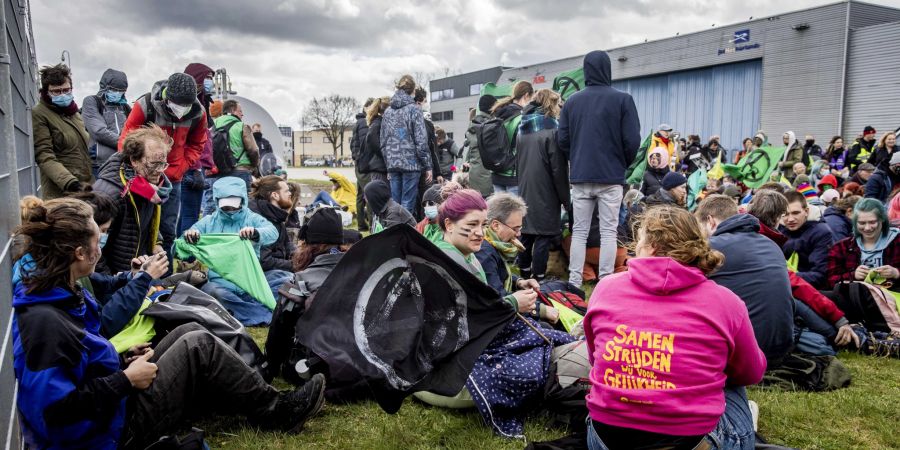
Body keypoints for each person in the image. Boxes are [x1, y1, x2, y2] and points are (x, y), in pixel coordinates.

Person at [12, 197, 326, 449]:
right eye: (98, 239)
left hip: (110, 411)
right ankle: (277, 411)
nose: (101, 247)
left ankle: (259, 399)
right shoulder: (45, 323)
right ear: (79, 252)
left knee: (187, 330)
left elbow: (76, 367)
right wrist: (125, 380)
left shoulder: (60, 295)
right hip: (111, 433)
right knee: (197, 344)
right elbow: (53, 412)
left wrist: (121, 361)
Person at [584, 206, 766, 450]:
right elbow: (751, 373)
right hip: (692, 442)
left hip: (606, 439)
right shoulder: (726, 302)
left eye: (638, 241)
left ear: (651, 247)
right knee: (732, 382)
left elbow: (595, 358)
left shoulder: (606, 288)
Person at [559, 50, 640, 287]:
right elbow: (632, 140)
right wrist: (621, 163)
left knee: (580, 231)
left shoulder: (572, 101)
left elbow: (563, 139)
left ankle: (574, 280)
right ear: (608, 69)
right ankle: (605, 279)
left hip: (581, 175)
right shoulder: (623, 100)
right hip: (611, 175)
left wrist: (577, 157)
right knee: (608, 231)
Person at [118, 72, 209, 264]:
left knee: (167, 229)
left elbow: (198, 143)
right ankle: (137, 270)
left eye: (187, 106)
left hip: (173, 179)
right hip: (143, 177)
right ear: (167, 97)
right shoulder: (145, 106)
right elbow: (126, 143)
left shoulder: (198, 112)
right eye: (179, 105)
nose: (182, 110)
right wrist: (138, 174)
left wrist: (182, 166)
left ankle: (165, 275)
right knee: (140, 226)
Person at [696, 195, 795, 368]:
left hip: (746, 355)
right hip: (780, 349)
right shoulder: (770, 244)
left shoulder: (711, 247)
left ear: (710, 221)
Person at [184, 177, 284, 326]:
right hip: (222, 284)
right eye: (225, 206)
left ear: (243, 199)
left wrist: (256, 233)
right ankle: (265, 314)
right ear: (217, 201)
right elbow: (180, 248)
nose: (230, 210)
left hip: (252, 281)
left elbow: (272, 233)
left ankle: (240, 309)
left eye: (234, 205)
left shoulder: (253, 218)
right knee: (213, 292)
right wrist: (189, 236)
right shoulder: (207, 222)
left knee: (285, 278)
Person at [93, 125, 173, 274]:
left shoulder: (150, 188)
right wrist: (111, 282)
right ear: (134, 160)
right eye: (154, 164)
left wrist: (156, 241)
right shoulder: (110, 194)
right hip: (113, 278)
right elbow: (92, 249)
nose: (160, 171)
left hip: (133, 273)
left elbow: (146, 222)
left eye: (163, 164)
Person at [477, 192, 558, 323]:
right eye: (515, 229)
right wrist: (540, 310)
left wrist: (519, 282)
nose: (519, 234)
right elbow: (499, 299)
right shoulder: (484, 253)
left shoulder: (491, 243)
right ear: (496, 225)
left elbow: (498, 273)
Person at [515, 89, 569, 281]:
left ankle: (523, 273)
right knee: (543, 237)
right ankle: (538, 278)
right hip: (546, 191)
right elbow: (558, 169)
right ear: (551, 105)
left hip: (526, 188)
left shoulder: (523, 129)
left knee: (527, 235)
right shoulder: (552, 131)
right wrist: (565, 199)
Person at [33, 64, 93, 200]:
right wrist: (69, 182)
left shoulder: (74, 113)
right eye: (56, 91)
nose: (63, 95)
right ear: (46, 91)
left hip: (84, 185)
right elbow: (44, 155)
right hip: (61, 191)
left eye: (66, 90)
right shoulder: (39, 114)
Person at [381, 75, 432, 213]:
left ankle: (395, 231)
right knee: (408, 203)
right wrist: (427, 165)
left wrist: (388, 164)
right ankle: (404, 232)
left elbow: (383, 142)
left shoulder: (387, 112)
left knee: (395, 203)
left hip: (393, 162)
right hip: (411, 162)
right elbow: (421, 139)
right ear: (413, 91)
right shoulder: (414, 109)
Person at [827, 198, 900, 288]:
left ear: (882, 220)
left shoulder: (897, 241)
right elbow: (830, 281)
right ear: (855, 223)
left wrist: (896, 273)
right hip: (857, 299)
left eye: (872, 222)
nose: (867, 228)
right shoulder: (841, 247)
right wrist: (853, 275)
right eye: (862, 223)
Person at [178, 63, 215, 235]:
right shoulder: (192, 105)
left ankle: (179, 250)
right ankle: (188, 256)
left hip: (193, 165)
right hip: (191, 166)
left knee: (185, 213)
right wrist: (196, 165)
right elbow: (193, 139)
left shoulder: (202, 102)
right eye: (207, 78)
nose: (210, 82)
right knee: (190, 214)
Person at [780, 190, 834, 288]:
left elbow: (820, 276)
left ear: (806, 211)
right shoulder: (778, 231)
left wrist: (783, 277)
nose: (790, 219)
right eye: (785, 214)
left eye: (795, 213)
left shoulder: (822, 233)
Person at [82, 68, 130, 176]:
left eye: (121, 91)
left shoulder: (125, 108)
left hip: (123, 164)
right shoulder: (92, 102)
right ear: (104, 87)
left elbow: (135, 131)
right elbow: (98, 131)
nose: (117, 93)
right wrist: (127, 143)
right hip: (100, 165)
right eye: (113, 90)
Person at [489, 81, 534, 195]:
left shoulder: (498, 113)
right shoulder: (522, 118)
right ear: (526, 95)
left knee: (499, 212)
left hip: (496, 173)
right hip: (513, 176)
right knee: (515, 212)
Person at [249, 175, 296, 272]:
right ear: (275, 195)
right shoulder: (262, 220)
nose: (290, 193)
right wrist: (294, 266)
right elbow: (265, 261)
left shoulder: (275, 214)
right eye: (286, 191)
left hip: (278, 267)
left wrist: (302, 257)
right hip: (267, 275)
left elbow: (287, 244)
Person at [213, 99, 260, 189]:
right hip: (241, 171)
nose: (242, 114)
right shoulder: (242, 126)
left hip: (219, 172)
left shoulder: (213, 126)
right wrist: (255, 165)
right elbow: (253, 150)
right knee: (244, 200)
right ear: (233, 111)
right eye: (240, 111)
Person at [465, 95, 497, 198]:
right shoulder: (492, 126)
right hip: (488, 177)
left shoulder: (472, 125)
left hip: (474, 175)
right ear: (493, 108)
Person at [350, 98, 374, 231]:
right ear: (367, 108)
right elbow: (366, 144)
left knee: (360, 195)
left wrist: (356, 158)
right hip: (365, 165)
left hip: (359, 165)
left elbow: (353, 144)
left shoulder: (358, 122)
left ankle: (361, 224)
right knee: (369, 194)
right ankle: (371, 225)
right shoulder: (365, 122)